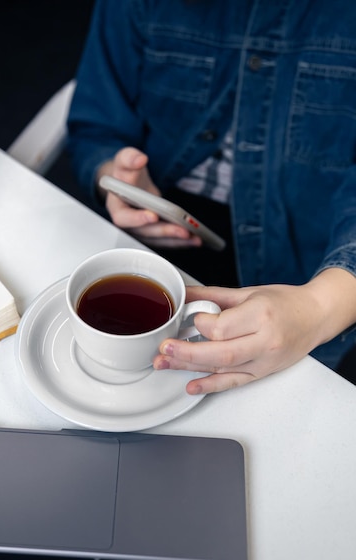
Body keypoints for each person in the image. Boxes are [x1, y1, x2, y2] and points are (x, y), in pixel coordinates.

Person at [66, 0, 356, 394]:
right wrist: (114, 179)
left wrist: (320, 308)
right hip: (157, 225)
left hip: (312, 269)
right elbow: (96, 127)